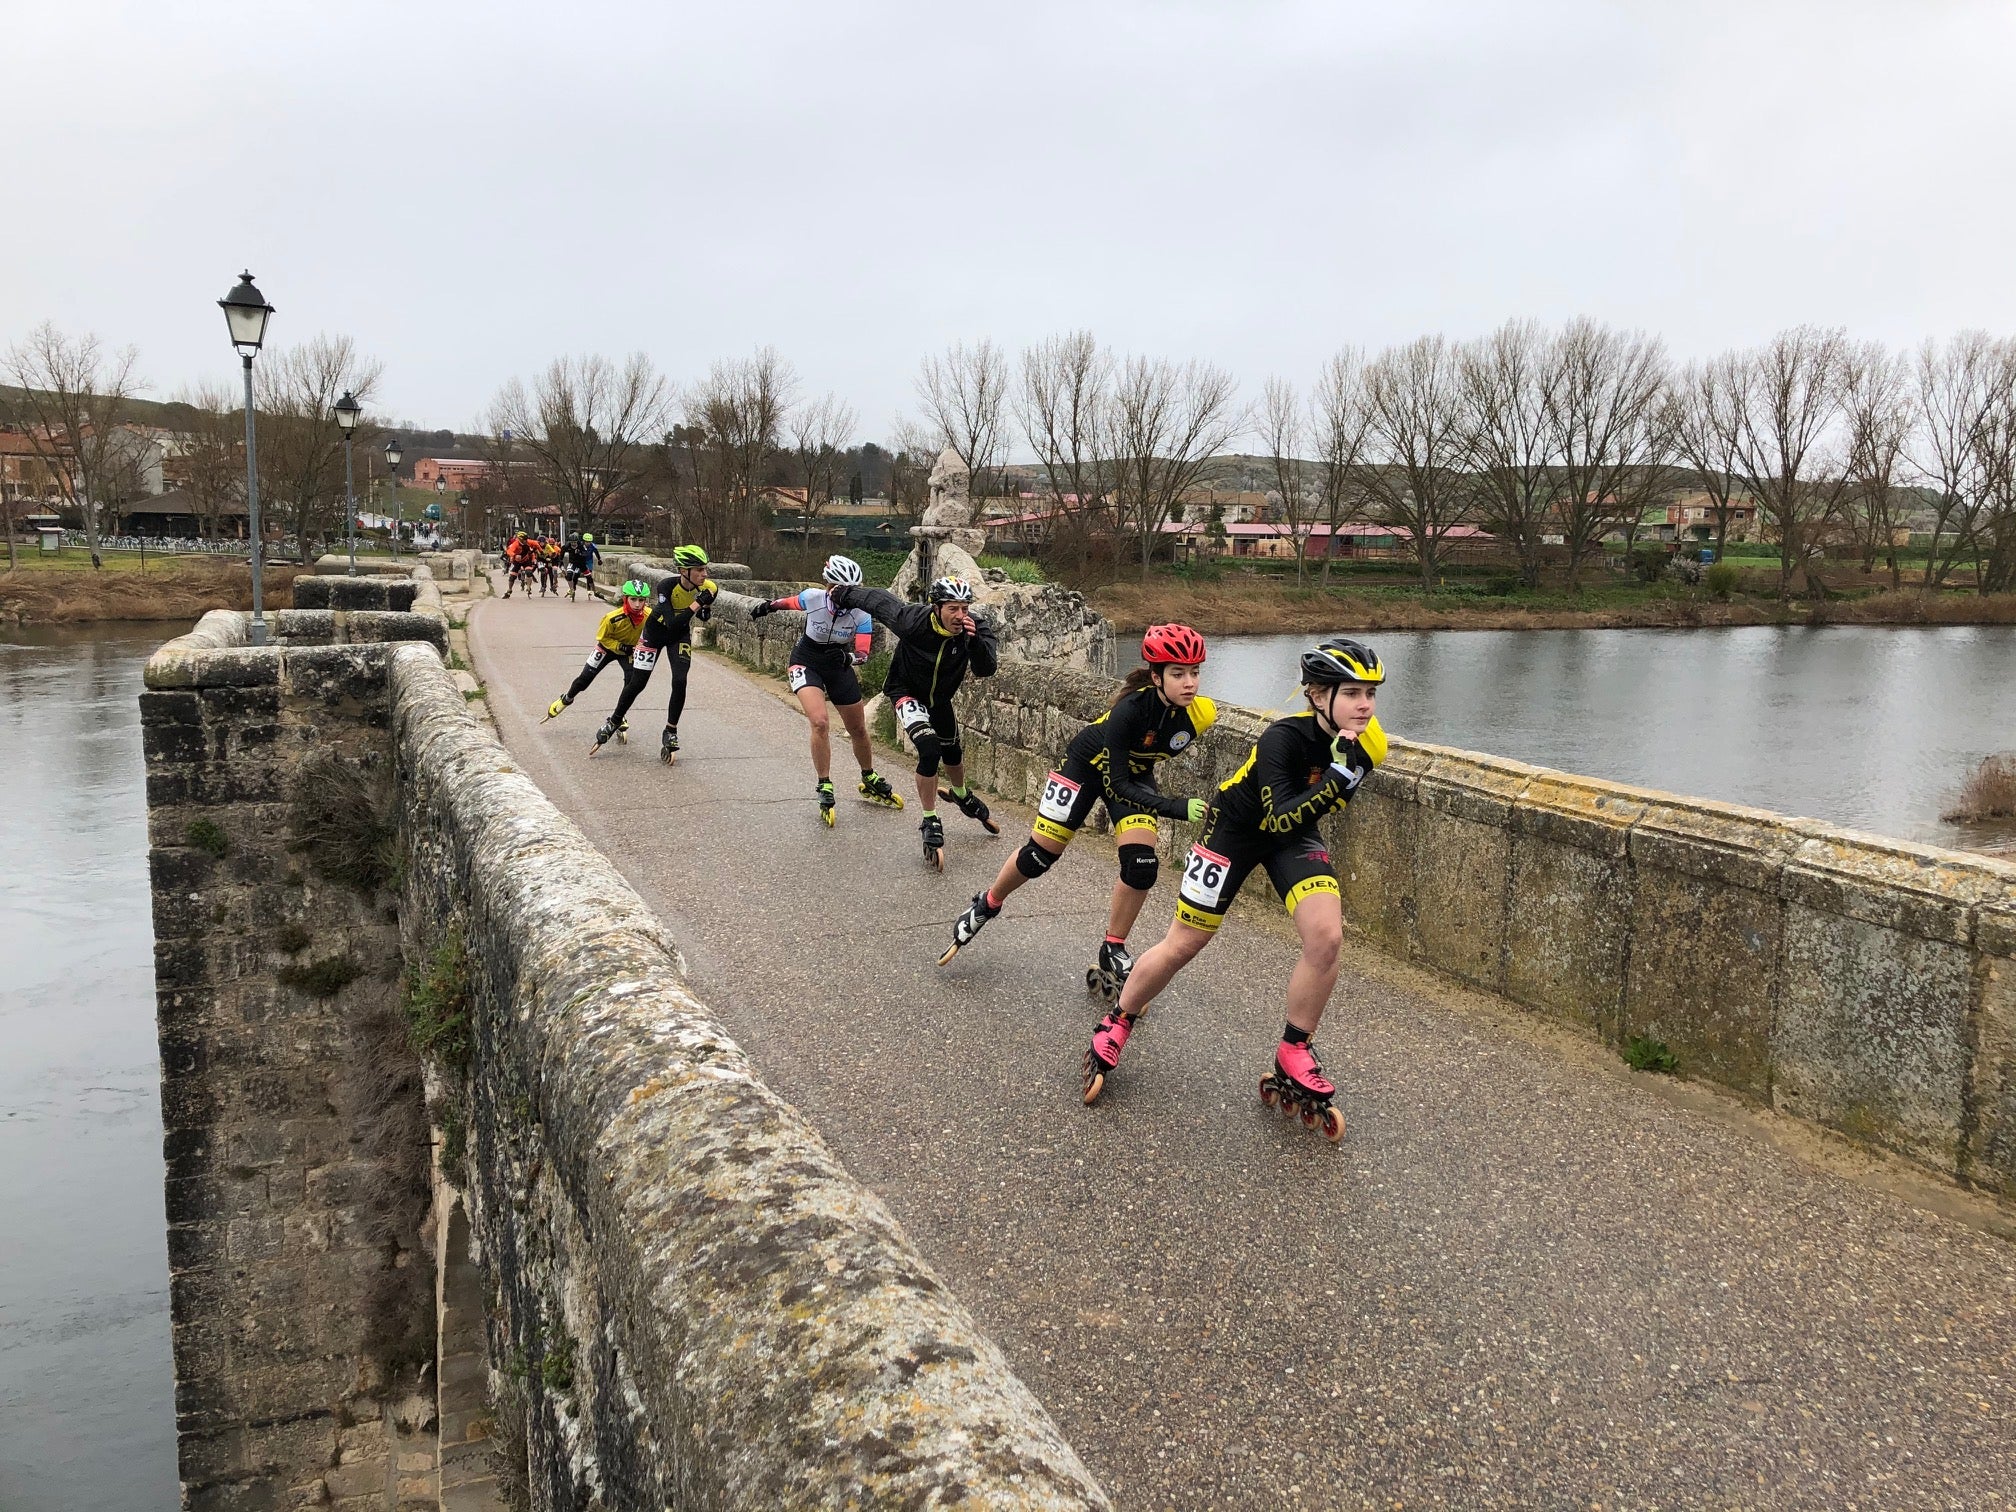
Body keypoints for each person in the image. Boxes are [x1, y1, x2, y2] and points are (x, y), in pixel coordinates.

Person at [1079, 638, 1391, 1142]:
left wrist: (1336, 777)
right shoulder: (1282, 739)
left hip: (1295, 834)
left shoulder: (1370, 741)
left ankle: (1295, 1048)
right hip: (1235, 828)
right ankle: (1119, 1020)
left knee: (1326, 937)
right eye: (1352, 693)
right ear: (1316, 695)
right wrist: (1335, 776)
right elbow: (1279, 812)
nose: (1365, 705)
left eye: (1371, 694)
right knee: (1184, 942)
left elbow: (1306, 814)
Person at [939, 625, 1214, 997]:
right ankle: (986, 903)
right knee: (1039, 857)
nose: (1190, 683)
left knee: (1142, 865)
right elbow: (1117, 785)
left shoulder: (1202, 714)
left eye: (1195, 672)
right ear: (1156, 676)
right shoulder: (1129, 712)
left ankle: (1112, 948)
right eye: (1178, 674)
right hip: (1088, 766)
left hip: (1133, 775)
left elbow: (1134, 773)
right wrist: (1177, 808)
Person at [823, 573, 999, 869]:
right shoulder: (912, 620)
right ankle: (930, 819)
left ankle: (960, 793)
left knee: (953, 751)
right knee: (930, 749)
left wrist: (975, 642)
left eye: (964, 608)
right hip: (906, 691)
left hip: (940, 698)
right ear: (936, 608)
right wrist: (841, 593)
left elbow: (986, 669)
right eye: (952, 609)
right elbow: (876, 600)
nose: (960, 616)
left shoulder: (975, 628)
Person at [747, 554, 905, 825]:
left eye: (850, 591)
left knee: (857, 728)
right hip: (806, 660)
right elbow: (790, 602)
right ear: (829, 586)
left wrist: (850, 659)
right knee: (820, 722)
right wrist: (768, 606)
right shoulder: (814, 598)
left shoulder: (861, 613)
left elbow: (863, 653)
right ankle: (824, 783)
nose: (843, 596)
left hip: (838, 664)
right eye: (838, 590)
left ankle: (868, 776)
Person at [593, 544, 717, 762]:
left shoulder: (709, 588)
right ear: (683, 571)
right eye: (699, 569)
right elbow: (671, 622)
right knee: (637, 683)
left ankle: (671, 731)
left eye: (705, 569)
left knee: (680, 680)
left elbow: (702, 618)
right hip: (655, 632)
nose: (704, 574)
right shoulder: (665, 587)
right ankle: (614, 720)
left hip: (679, 636)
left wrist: (704, 607)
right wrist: (698, 604)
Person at [545, 579, 651, 733]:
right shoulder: (611, 617)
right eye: (633, 599)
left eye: (641, 600)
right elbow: (602, 637)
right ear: (625, 599)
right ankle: (567, 698)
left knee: (631, 684)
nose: (637, 604)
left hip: (628, 651)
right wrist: (619, 646)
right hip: (607, 648)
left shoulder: (649, 615)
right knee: (584, 680)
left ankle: (619, 716)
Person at [503, 531, 538, 597]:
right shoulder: (515, 544)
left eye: (526, 539)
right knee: (512, 576)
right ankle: (509, 589)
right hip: (517, 561)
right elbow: (509, 551)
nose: (525, 541)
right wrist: (514, 555)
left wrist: (535, 556)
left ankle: (528, 587)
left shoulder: (528, 543)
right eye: (524, 540)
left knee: (529, 572)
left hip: (526, 560)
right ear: (520, 539)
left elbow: (536, 546)